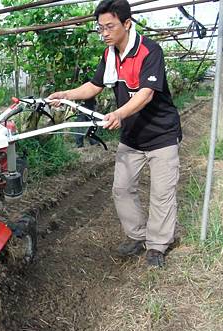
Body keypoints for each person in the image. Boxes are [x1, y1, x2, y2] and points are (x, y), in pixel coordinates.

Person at [48, 0, 182, 267]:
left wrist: (119, 114)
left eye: (110, 27)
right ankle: (138, 236)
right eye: (100, 28)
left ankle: (157, 246)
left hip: (161, 136)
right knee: (121, 189)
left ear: (127, 24)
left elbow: (145, 94)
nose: (105, 33)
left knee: (161, 194)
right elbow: (94, 86)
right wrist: (66, 95)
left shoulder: (149, 51)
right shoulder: (110, 55)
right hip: (132, 137)